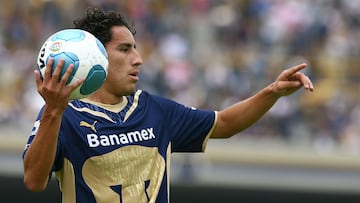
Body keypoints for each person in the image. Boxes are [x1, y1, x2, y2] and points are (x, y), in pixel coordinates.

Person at [23, 7, 314, 203]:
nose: (138, 59)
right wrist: (53, 110)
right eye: (125, 49)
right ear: (96, 57)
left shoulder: (154, 109)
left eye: (135, 48)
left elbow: (223, 124)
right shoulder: (64, 116)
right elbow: (34, 181)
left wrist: (272, 92)